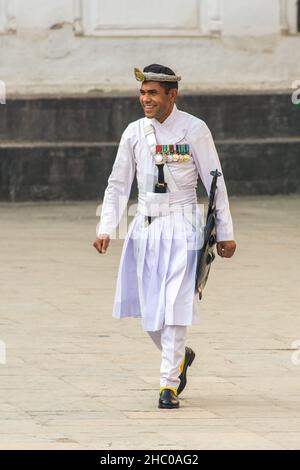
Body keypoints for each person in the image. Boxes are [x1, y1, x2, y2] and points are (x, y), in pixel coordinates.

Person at [93, 64, 236, 409]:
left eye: (153, 93)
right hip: (143, 227)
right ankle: (180, 357)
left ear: (172, 95)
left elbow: (215, 181)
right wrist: (106, 226)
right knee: (150, 313)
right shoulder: (133, 133)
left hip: (183, 225)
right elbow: (118, 183)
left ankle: (167, 385)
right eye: (143, 93)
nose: (146, 99)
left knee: (175, 306)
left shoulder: (194, 129)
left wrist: (226, 233)